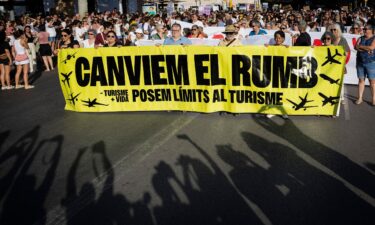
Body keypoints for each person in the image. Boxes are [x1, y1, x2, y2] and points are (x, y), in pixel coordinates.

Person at [265, 30, 289, 119]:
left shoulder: (286, 47)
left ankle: (283, 111)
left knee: (282, 92)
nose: (277, 39)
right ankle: (272, 110)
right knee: (273, 91)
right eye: (276, 37)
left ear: (283, 39)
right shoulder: (271, 47)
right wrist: (266, 47)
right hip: (273, 72)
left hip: (283, 73)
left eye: (279, 38)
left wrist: (289, 49)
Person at [354, 24, 375, 106]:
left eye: (366, 29)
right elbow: (356, 47)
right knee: (361, 80)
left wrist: (361, 47)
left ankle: (373, 99)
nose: (364, 30)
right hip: (360, 62)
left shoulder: (374, 38)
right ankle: (360, 98)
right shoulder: (360, 38)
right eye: (364, 29)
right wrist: (366, 48)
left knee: (372, 81)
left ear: (371, 30)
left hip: (371, 63)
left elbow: (372, 47)